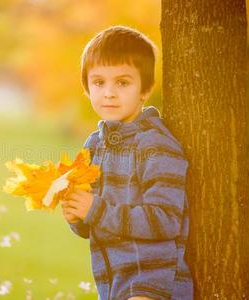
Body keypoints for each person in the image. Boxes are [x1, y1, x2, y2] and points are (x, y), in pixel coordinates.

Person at [61, 25, 194, 300]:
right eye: (99, 82)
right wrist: (77, 217)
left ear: (145, 89)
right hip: (112, 284)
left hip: (153, 284)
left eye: (122, 82)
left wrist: (94, 210)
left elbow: (165, 220)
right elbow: (94, 221)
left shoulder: (156, 145)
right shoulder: (93, 146)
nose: (109, 92)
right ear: (87, 88)